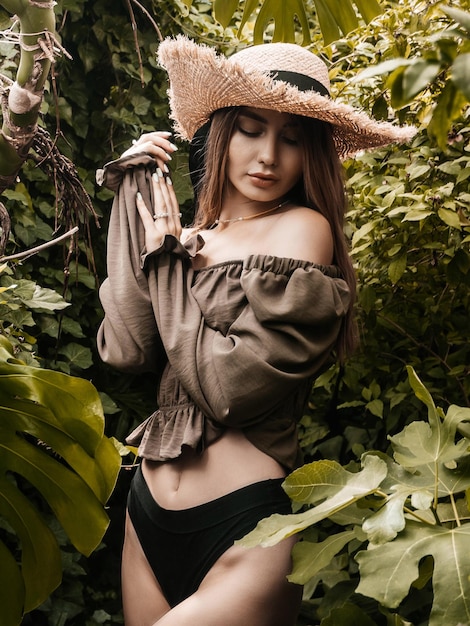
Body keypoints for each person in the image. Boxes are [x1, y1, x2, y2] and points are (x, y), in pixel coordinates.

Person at [96, 36, 416, 626]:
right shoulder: (198, 237)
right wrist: (132, 197)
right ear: (220, 133)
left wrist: (167, 262)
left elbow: (226, 390)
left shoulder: (302, 231)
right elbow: (127, 346)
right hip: (147, 516)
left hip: (244, 529)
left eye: (291, 138)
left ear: (311, 153)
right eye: (250, 129)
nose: (268, 155)